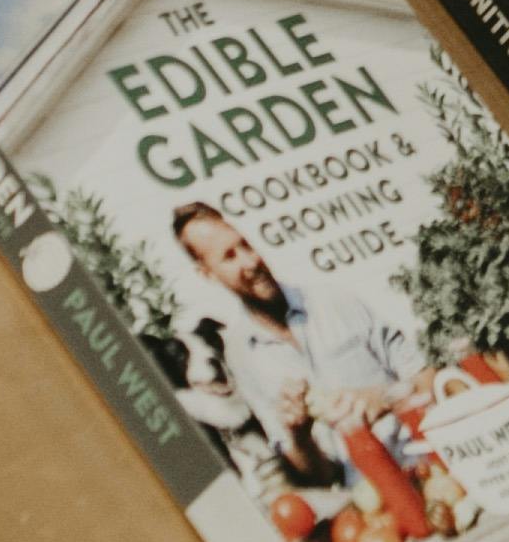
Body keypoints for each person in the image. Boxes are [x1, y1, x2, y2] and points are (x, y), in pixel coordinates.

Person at [170, 199, 425, 480]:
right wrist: (299, 436)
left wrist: (385, 397)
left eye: (246, 245)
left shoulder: (334, 301)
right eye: (229, 257)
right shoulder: (242, 357)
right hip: (371, 496)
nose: (251, 261)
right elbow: (317, 475)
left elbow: (427, 376)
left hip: (424, 462)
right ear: (207, 274)